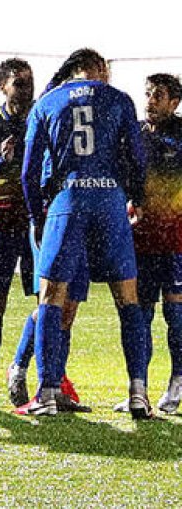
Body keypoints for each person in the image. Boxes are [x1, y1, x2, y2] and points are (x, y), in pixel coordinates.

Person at [20, 48, 150, 418]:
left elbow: (29, 171)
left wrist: (37, 216)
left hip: (68, 200)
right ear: (95, 69)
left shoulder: (48, 103)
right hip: (110, 200)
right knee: (128, 298)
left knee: (51, 298)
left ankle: (46, 392)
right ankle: (138, 392)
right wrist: (136, 197)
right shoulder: (119, 99)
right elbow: (136, 156)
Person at [0, 59, 85, 410]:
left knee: (53, 300)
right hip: (0, 219)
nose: (26, 89)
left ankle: (46, 374)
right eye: (19, 83)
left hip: (37, 220)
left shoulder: (42, 117)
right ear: (3, 85)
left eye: (30, 83)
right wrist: (1, 163)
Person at [113, 73, 182, 414]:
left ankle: (177, 380)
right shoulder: (135, 133)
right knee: (140, 316)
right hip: (138, 240)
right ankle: (138, 387)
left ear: (175, 102)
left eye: (159, 95)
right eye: (148, 94)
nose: (151, 100)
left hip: (175, 241)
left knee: (176, 314)